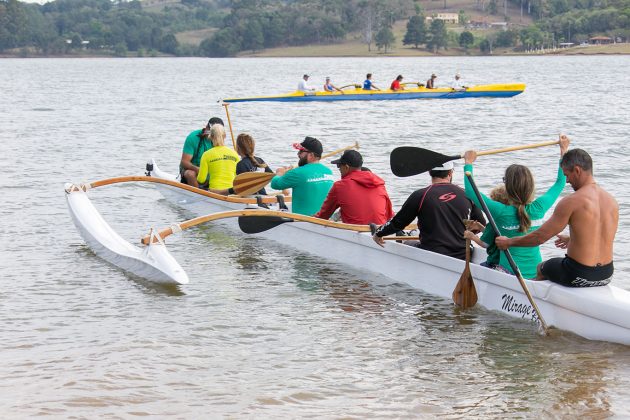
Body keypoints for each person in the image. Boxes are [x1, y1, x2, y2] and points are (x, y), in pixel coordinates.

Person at [495, 148, 618, 287]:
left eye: (567, 175)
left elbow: (539, 237)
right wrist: (572, 240)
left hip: (579, 274)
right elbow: (602, 236)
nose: (566, 181)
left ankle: (530, 304)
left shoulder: (572, 201)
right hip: (606, 274)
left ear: (577, 170)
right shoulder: (611, 201)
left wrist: (509, 242)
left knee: (542, 267)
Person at [463, 135, 570, 279]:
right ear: (531, 186)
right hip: (535, 271)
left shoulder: (499, 211)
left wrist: (468, 162)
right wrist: (564, 149)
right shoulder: (538, 208)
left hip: (508, 273)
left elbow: (470, 191)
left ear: (507, 187)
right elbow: (560, 183)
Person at [372, 161, 485, 260]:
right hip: (462, 253)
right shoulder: (467, 194)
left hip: (433, 252)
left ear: (430, 173)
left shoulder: (420, 195)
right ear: (450, 173)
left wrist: (379, 233)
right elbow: (481, 224)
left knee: (408, 242)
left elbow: (398, 223)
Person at [314, 150, 394, 225]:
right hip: (379, 232)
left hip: (355, 233)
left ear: (346, 167)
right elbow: (390, 216)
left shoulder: (339, 186)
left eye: (339, 165)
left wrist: (309, 218)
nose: (339, 169)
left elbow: (322, 216)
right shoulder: (379, 185)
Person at [270, 137, 334, 216]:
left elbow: (275, 184)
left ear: (311, 155)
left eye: (301, 151)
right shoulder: (328, 171)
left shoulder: (297, 173)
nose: (298, 154)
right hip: (325, 219)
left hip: (304, 221)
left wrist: (279, 173)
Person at [464, 184, 510, 268]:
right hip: (504, 260)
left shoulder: (493, 222)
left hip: (494, 261)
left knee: (478, 269)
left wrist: (472, 236)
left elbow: (485, 244)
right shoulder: (506, 221)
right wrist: (480, 227)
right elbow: (493, 235)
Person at [180, 117, 224, 187]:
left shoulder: (219, 139)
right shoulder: (193, 137)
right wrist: (198, 169)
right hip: (193, 170)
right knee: (190, 174)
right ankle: (198, 194)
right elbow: (184, 162)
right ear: (207, 127)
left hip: (209, 171)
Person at [196, 124, 239, 189]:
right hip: (231, 191)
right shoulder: (234, 154)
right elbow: (237, 176)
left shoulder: (206, 155)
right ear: (224, 136)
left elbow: (201, 179)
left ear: (211, 137)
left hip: (215, 191)